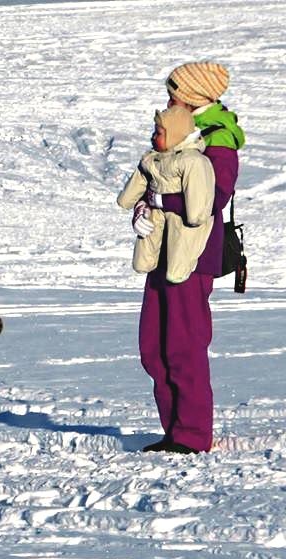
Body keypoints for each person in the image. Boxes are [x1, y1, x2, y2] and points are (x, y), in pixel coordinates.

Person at [130, 61, 246, 454]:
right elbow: (152, 183)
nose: (169, 98)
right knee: (152, 347)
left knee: (183, 345)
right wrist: (142, 211)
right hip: (161, 250)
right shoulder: (176, 130)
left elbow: (213, 198)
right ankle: (174, 431)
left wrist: (162, 201)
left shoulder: (218, 140)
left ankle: (192, 436)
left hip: (193, 256)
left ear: (194, 95)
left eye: (175, 91)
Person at [117, 105, 215, 284]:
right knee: (141, 263)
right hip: (156, 215)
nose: (153, 138)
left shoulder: (193, 161)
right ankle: (149, 259)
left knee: (176, 272)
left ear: (174, 136)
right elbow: (126, 199)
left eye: (159, 134)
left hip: (183, 221)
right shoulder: (152, 159)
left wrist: (162, 200)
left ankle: (182, 261)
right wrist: (141, 205)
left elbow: (197, 212)